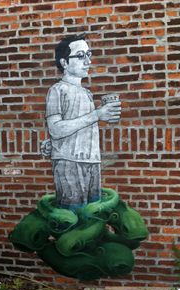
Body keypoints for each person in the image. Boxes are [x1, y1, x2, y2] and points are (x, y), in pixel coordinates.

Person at [45, 33, 121, 210]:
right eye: (80, 56)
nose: (88, 61)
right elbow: (55, 129)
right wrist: (97, 115)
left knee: (92, 214)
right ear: (64, 63)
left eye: (89, 55)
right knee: (73, 216)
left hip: (92, 161)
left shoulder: (87, 93)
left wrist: (104, 115)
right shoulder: (57, 90)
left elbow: (75, 128)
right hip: (69, 163)